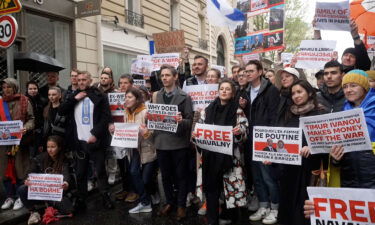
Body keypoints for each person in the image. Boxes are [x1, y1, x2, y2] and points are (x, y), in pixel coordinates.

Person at [304, 69, 375, 218]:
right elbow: (340, 151)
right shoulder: (344, 112)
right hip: (348, 180)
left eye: (353, 85)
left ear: (364, 87)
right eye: (345, 86)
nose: (348, 90)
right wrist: (336, 159)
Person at [193, 79, 248, 225]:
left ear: (232, 93)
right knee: (211, 191)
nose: (224, 91)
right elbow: (201, 129)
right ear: (218, 91)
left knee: (231, 191)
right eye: (221, 88)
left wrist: (238, 132)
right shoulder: (208, 109)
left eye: (227, 89)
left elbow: (244, 131)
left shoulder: (238, 110)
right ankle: (212, 219)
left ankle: (232, 218)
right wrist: (196, 135)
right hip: (210, 158)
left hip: (230, 158)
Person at [59, 71, 114, 210]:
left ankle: (105, 197)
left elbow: (106, 117)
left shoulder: (99, 96)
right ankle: (82, 198)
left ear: (90, 80)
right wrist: (75, 98)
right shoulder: (72, 96)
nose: (81, 82)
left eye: (84, 79)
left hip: (95, 140)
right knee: (80, 173)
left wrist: (96, 134)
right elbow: (61, 111)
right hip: (79, 141)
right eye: (79, 80)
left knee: (100, 171)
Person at [276, 80, 322, 225]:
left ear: (309, 93)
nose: (296, 96)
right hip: (289, 170)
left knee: (303, 211)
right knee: (288, 207)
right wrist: (271, 155)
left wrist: (313, 146)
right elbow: (281, 139)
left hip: (309, 170)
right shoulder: (289, 114)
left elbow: (327, 141)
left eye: (299, 92)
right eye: (293, 93)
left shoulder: (320, 112)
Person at [240, 60, 280, 224]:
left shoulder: (270, 90)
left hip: (265, 140)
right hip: (250, 140)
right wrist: (243, 107)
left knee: (268, 176)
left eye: (251, 71)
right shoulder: (245, 91)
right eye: (246, 71)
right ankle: (263, 205)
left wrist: (270, 141)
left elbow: (274, 116)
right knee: (257, 176)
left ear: (260, 72)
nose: (247, 74)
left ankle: (275, 208)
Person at [153, 65, 193, 221]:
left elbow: (189, 121)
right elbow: (153, 117)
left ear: (175, 77)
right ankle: (170, 202)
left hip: (178, 142)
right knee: (165, 176)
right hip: (161, 141)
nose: (164, 78)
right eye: (162, 75)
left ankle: (181, 205)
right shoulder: (156, 95)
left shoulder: (185, 96)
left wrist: (181, 121)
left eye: (167, 75)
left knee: (181, 176)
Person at [18, 135, 73, 225]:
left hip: (54, 194)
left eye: (53, 147)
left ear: (59, 148)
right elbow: (30, 171)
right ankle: (33, 213)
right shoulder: (40, 158)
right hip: (40, 193)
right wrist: (27, 179)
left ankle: (52, 208)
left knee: (69, 209)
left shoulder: (64, 160)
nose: (50, 150)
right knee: (22, 189)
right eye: (48, 147)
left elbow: (66, 174)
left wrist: (66, 183)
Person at [118, 88, 157, 214]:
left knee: (146, 179)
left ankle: (152, 194)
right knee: (134, 173)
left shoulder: (146, 112)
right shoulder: (126, 112)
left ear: (137, 99)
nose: (126, 100)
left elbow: (156, 131)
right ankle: (146, 202)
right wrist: (115, 131)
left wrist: (146, 133)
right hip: (134, 150)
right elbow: (126, 130)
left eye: (129, 97)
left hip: (148, 149)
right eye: (126, 97)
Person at [0, 78, 35, 211]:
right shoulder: (0, 103)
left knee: (21, 169)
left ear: (14, 87)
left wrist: (26, 127)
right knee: (5, 170)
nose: (6, 90)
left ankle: (21, 196)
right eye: (4, 87)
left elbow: (31, 119)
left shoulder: (24, 100)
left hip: (20, 142)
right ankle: (10, 196)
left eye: (9, 87)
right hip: (3, 143)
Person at [25, 81, 45, 157]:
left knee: (40, 155)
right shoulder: (24, 101)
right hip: (29, 132)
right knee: (30, 154)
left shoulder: (42, 100)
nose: (33, 90)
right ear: (27, 90)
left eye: (35, 88)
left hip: (40, 132)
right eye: (30, 89)